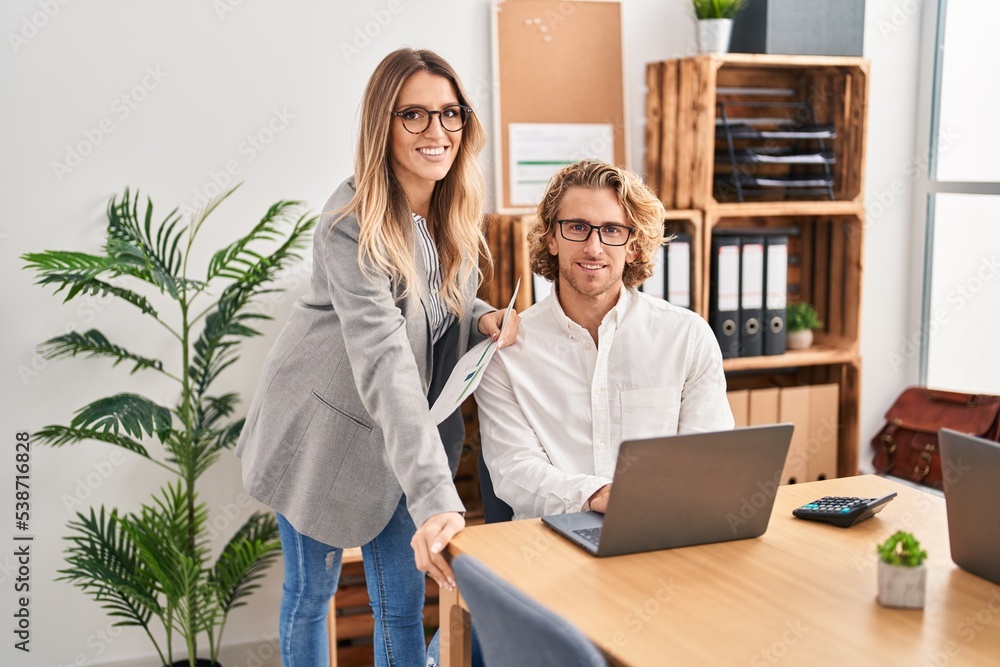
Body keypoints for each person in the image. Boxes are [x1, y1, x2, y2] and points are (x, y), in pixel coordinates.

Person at [235, 48, 518, 667]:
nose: (436, 131)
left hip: (402, 432)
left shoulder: (453, 211)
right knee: (311, 594)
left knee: (401, 603)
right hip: (324, 435)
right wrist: (437, 495)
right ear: (381, 124)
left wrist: (481, 316)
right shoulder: (350, 222)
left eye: (449, 114)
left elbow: (440, 303)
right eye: (412, 115)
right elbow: (384, 357)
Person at [475, 159, 733, 520]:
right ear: (551, 238)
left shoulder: (687, 337)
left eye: (612, 230)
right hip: (550, 544)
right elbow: (512, 471)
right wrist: (594, 496)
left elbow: (708, 458)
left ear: (633, 246)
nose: (593, 248)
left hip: (659, 530)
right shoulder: (507, 351)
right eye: (577, 227)